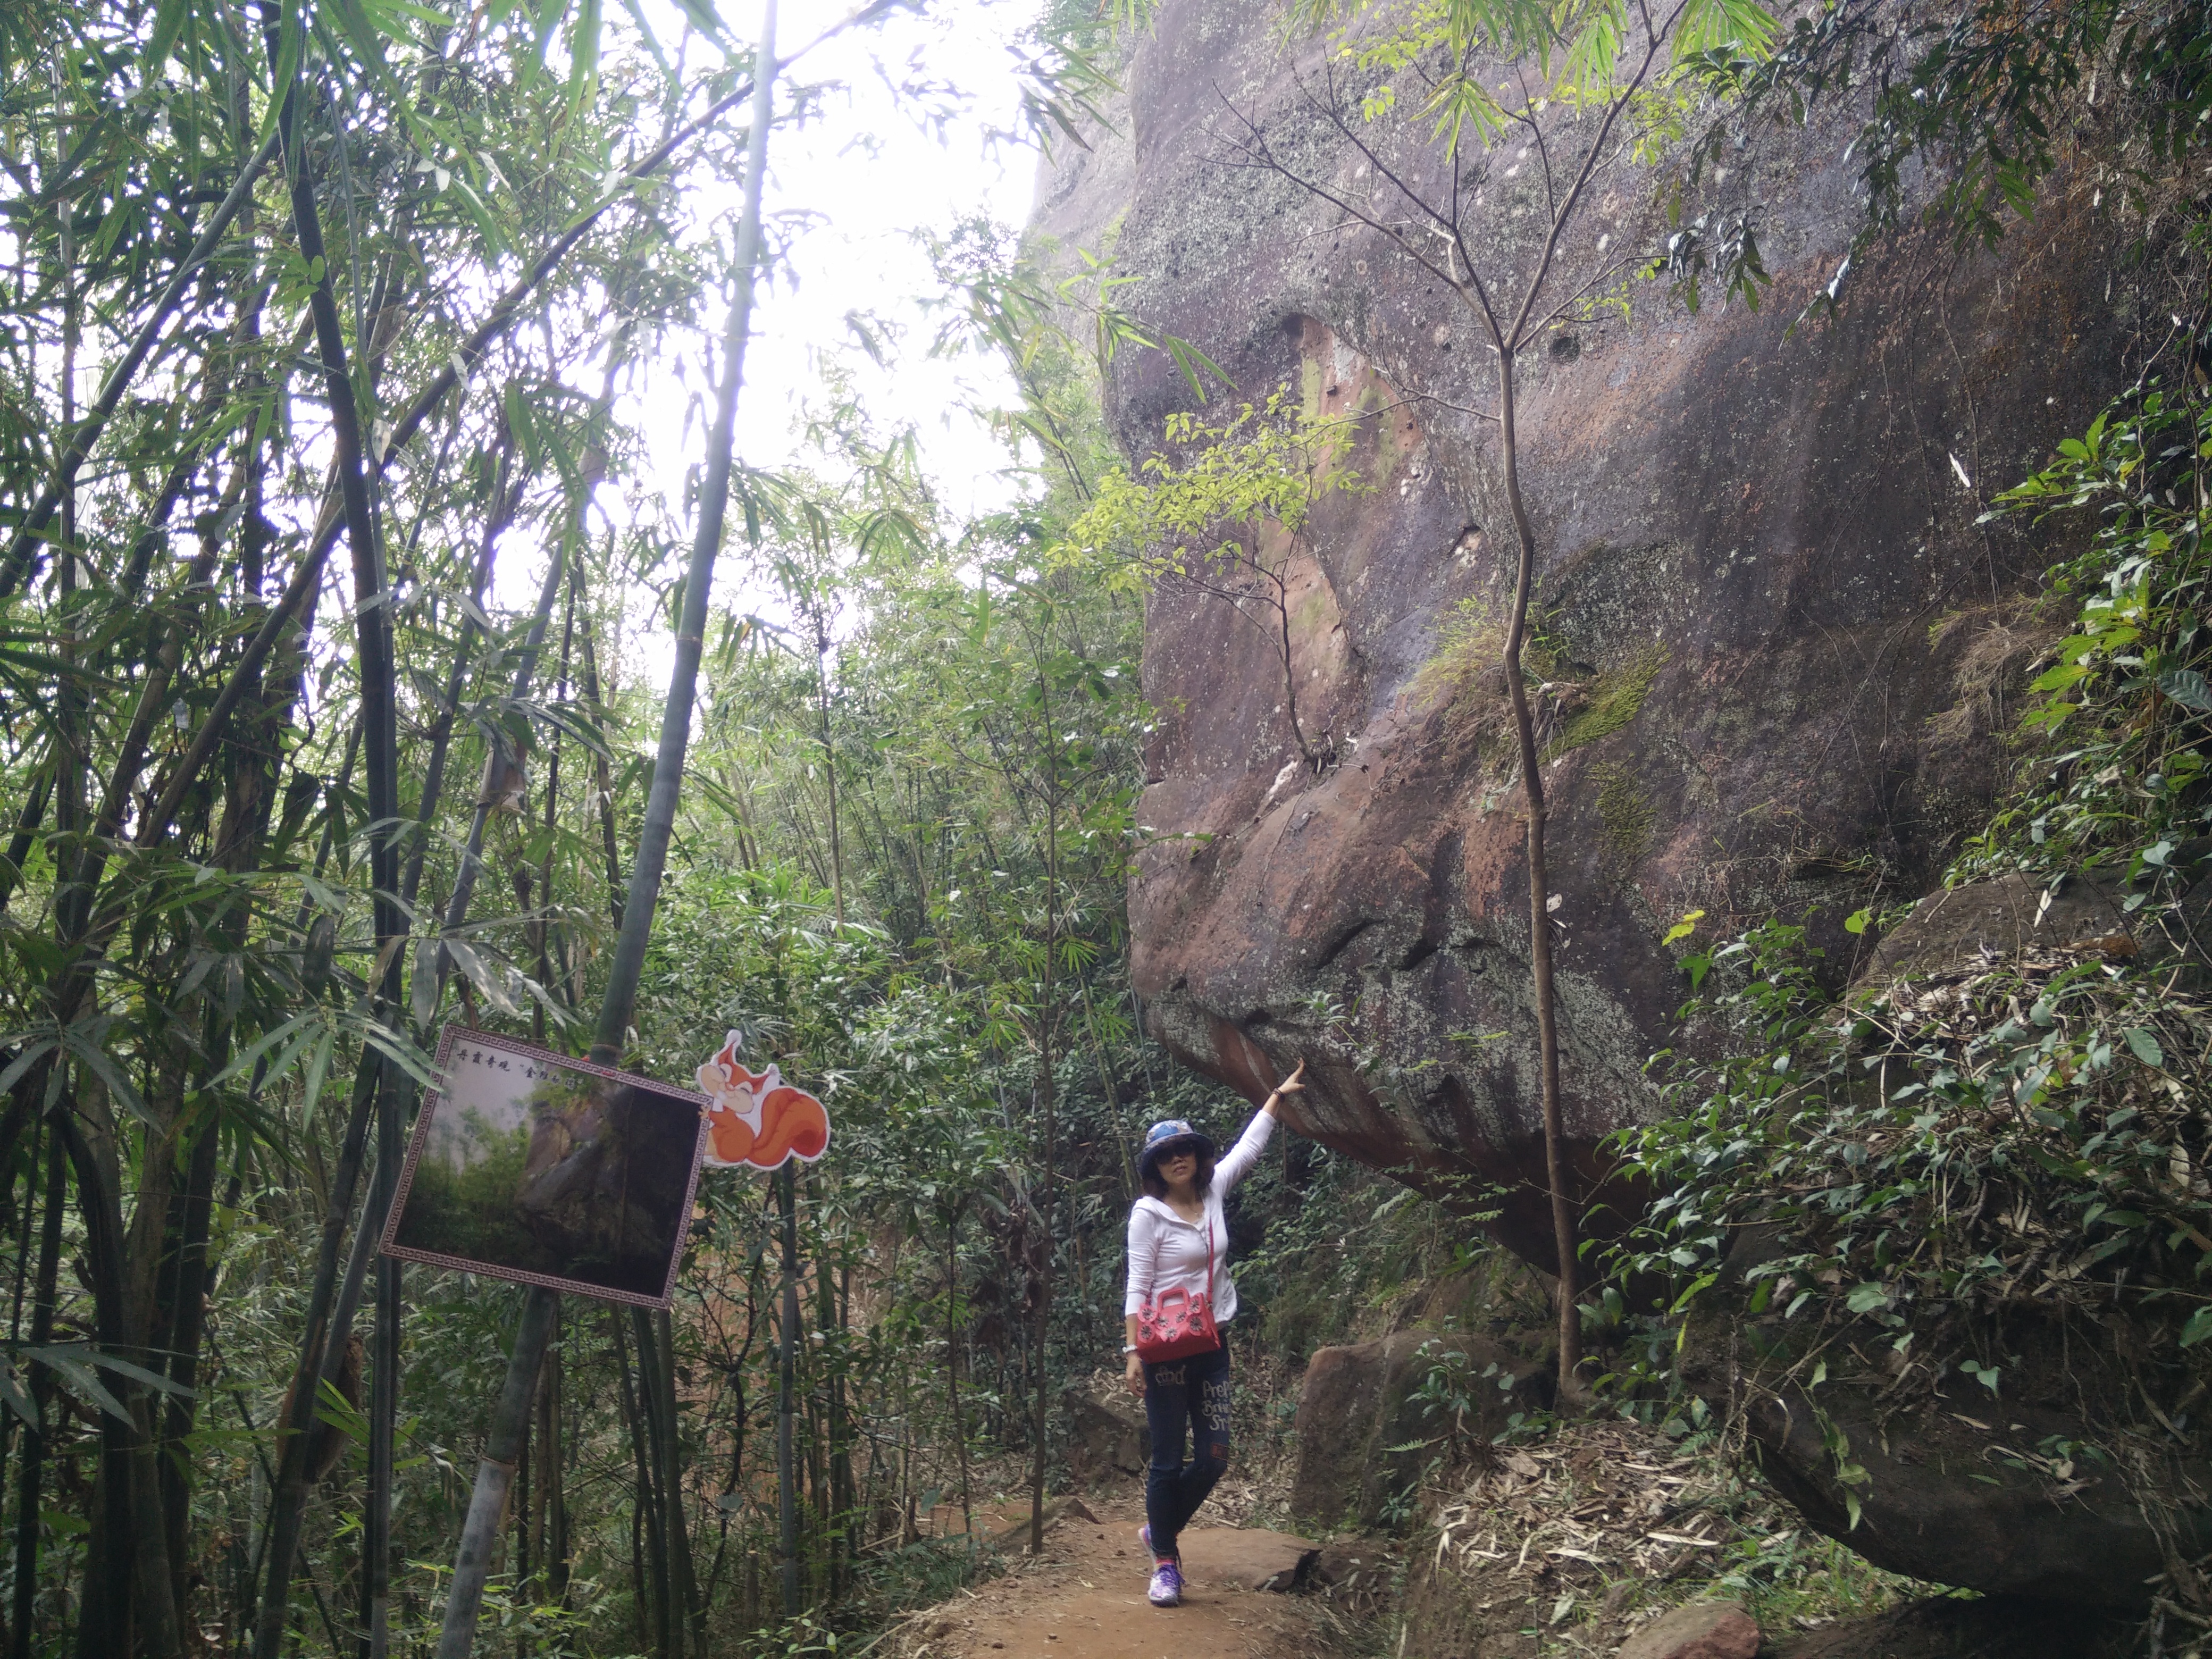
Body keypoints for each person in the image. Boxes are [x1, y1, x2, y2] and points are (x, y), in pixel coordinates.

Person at [1122, 1060, 1306, 1608]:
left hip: (1212, 1342)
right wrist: (1132, 1350)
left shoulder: (1214, 1191)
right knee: (1165, 1459)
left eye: (1185, 1149)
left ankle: (1159, 1528)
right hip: (1163, 1352)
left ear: (1198, 1157)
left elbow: (1248, 1149)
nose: (1177, 1158)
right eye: (1165, 1154)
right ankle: (1166, 1566)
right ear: (1156, 1166)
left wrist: (1275, 1097)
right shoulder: (1147, 1214)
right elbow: (1136, 1282)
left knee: (1213, 1459)